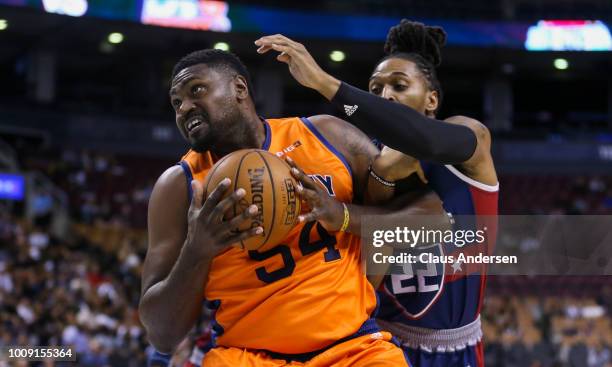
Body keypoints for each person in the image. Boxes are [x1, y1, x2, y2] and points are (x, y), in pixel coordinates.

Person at [138, 48, 448, 366]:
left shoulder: (326, 135)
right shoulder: (179, 186)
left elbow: (435, 222)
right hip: (246, 357)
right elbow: (162, 334)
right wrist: (197, 250)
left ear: (239, 89)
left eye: (196, 91)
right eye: (176, 102)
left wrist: (343, 217)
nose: (185, 108)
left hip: (353, 350)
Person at [255, 19, 499, 367]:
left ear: (431, 99)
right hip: (380, 344)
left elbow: (423, 141)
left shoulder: (468, 139)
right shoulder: (364, 163)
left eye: (399, 86)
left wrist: (325, 84)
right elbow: (370, 276)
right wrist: (380, 180)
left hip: (455, 348)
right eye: (376, 89)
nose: (386, 95)